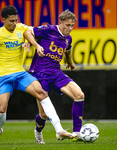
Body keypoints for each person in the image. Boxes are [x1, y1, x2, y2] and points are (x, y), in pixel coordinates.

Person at [0, 6, 77, 145]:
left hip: (20, 73)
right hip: (3, 76)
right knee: (1, 108)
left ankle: (59, 130)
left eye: (16, 20)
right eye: (11, 21)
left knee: (42, 93)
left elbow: (30, 32)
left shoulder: (21, 27)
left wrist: (32, 43)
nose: (14, 23)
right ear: (3, 20)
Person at [24, 9, 85, 144]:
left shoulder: (68, 38)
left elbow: (67, 51)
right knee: (44, 115)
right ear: (60, 22)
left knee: (79, 95)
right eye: (67, 25)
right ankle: (38, 131)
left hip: (56, 73)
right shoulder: (48, 29)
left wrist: (69, 62)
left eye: (72, 26)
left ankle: (77, 133)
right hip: (40, 74)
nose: (70, 28)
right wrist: (36, 44)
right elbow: (27, 32)